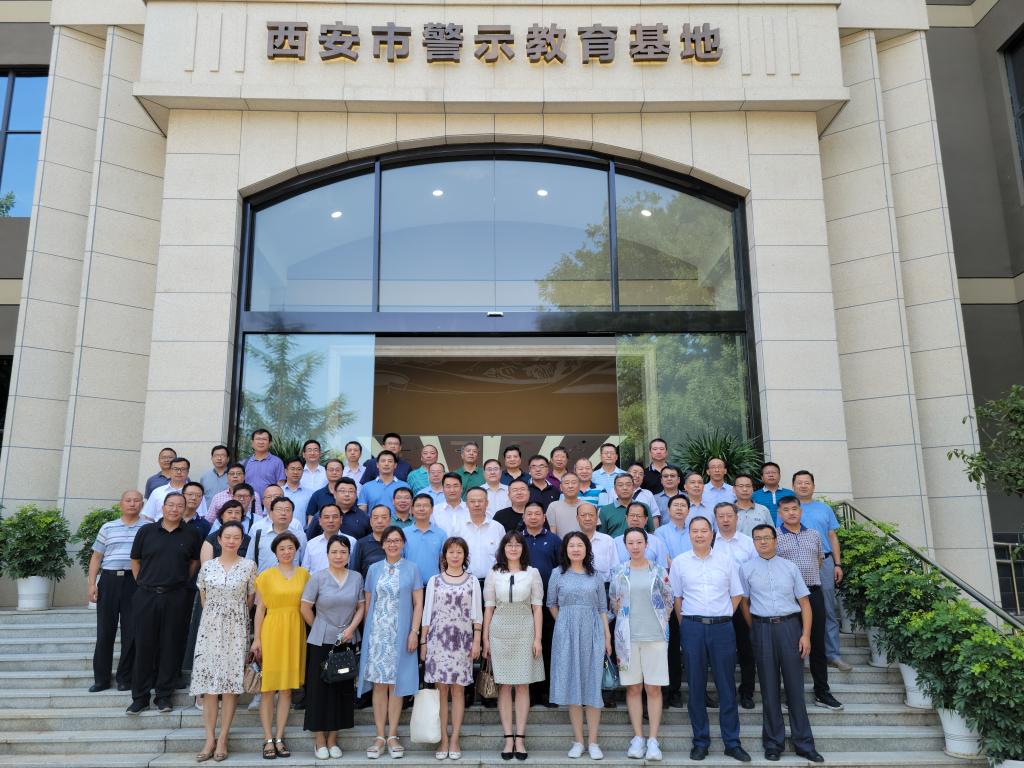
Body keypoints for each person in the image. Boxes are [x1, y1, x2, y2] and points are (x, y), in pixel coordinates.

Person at [669, 516, 750, 763]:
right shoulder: (680, 563)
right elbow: (677, 598)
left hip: (722, 628)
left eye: (704, 531)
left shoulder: (726, 560)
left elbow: (737, 594)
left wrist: (724, 614)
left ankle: (732, 743)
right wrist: (686, 625)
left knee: (726, 685)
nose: (699, 535)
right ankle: (700, 741)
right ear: (689, 535)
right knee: (695, 686)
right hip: (692, 627)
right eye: (695, 531)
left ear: (711, 534)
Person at [740, 525, 824, 763]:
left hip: (790, 628)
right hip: (762, 629)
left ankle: (804, 743)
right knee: (768, 688)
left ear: (776, 540)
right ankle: (773, 743)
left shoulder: (790, 567)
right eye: (758, 538)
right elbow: (744, 603)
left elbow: (805, 604)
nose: (763, 542)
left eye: (767, 537)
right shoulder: (746, 569)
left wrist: (805, 635)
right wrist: (755, 627)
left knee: (795, 688)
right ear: (753, 542)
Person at [127, 492, 202, 714]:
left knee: (171, 646)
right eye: (170, 505)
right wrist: (142, 583)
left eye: (179, 506)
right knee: (144, 646)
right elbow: (135, 560)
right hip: (146, 595)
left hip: (176, 596)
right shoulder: (146, 531)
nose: (174, 509)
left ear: (184, 509)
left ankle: (163, 696)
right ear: (163, 507)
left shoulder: (191, 534)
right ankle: (140, 697)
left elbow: (194, 563)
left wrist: (179, 583)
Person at [189, 521, 256, 762]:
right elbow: (203, 598)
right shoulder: (208, 567)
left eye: (236, 537)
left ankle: (223, 738)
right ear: (219, 539)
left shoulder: (249, 566)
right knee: (209, 686)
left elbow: (250, 600)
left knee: (229, 687)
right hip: (209, 630)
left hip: (236, 630)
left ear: (241, 540)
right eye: (227, 536)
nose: (231, 541)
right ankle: (209, 738)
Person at [359, 526, 424, 760]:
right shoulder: (374, 569)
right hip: (378, 634)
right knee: (379, 685)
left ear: (403, 543)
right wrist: (368, 635)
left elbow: (418, 603)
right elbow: (368, 603)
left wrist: (414, 632)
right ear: (383, 544)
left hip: (402, 633)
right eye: (389, 540)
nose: (393, 544)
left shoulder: (412, 568)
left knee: (396, 684)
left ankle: (393, 735)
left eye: (397, 540)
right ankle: (379, 736)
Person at [774, 495, 844, 711]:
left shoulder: (814, 535)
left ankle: (822, 692)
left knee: (817, 645)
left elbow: (819, 561)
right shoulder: (775, 537)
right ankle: (791, 695)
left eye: (794, 509)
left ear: (801, 511)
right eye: (786, 510)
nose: (791, 513)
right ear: (779, 514)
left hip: (813, 594)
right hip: (787, 598)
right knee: (790, 648)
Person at [547, 531, 612, 760]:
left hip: (592, 632)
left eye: (580, 545)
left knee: (592, 685)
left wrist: (607, 636)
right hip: (565, 634)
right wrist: (564, 623)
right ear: (565, 549)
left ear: (587, 549)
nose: (575, 549)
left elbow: (603, 608)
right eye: (571, 545)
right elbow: (551, 603)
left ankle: (593, 742)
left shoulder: (595, 576)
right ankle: (578, 741)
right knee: (572, 686)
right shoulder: (557, 573)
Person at [610, 527, 673, 761]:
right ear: (625, 545)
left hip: (655, 636)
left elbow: (669, 598)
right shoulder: (618, 571)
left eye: (639, 542)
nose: (635, 546)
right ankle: (638, 737)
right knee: (634, 688)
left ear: (647, 544)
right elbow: (613, 601)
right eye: (631, 542)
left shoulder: (658, 570)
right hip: (627, 638)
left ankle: (653, 739)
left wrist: (662, 622)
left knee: (653, 688)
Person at [301, 535, 365, 760]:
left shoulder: (356, 577)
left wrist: (351, 629)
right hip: (321, 641)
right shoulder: (317, 578)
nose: (339, 556)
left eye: (343, 552)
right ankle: (319, 739)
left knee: (341, 688)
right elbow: (305, 607)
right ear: (327, 554)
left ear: (349, 555)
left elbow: (361, 607)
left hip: (346, 640)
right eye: (334, 552)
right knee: (319, 690)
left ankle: (333, 739)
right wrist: (320, 627)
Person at [482, 531, 545, 761]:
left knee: (522, 685)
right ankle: (508, 737)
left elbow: (537, 607)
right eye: (509, 545)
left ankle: (520, 738)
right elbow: (489, 607)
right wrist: (485, 639)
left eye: (517, 544)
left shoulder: (532, 573)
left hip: (525, 629)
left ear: (523, 548)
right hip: (499, 629)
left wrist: (537, 638)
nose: (513, 548)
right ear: (503, 548)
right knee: (505, 685)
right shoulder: (493, 573)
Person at [421, 537, 483, 760]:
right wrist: (423, 642)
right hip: (438, 642)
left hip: (462, 642)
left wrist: (477, 641)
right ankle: (443, 740)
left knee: (458, 691)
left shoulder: (473, 581)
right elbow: (427, 614)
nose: (455, 556)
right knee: (442, 691)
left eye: (459, 552)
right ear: (444, 555)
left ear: (465, 556)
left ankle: (454, 738)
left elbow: (477, 615)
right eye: (451, 552)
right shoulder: (434, 581)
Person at [251, 531, 309, 759]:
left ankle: (279, 737)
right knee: (268, 688)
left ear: (296, 550)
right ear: (275, 552)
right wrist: (257, 638)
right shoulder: (266, 576)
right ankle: (267, 739)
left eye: (290, 548)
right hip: (272, 630)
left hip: (295, 631)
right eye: (282, 548)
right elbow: (260, 610)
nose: (286, 552)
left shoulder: (305, 574)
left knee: (286, 689)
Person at [793, 470, 851, 672]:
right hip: (796, 565)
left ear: (813, 486)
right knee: (797, 610)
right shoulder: (788, 509)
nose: (803, 486)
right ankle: (803, 655)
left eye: (807, 482)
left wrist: (837, 564)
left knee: (827, 609)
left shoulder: (824, 509)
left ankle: (832, 654)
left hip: (824, 562)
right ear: (793, 486)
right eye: (799, 482)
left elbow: (832, 536)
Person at [88, 489, 146, 693]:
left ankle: (125, 678)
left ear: (142, 504)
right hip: (109, 581)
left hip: (134, 582)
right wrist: (92, 584)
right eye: (128, 500)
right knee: (105, 631)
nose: (132, 504)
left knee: (131, 632)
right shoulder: (108, 527)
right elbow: (96, 557)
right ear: (121, 504)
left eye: (136, 500)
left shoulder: (147, 528)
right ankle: (101, 679)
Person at [713, 502, 757, 710]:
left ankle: (747, 692)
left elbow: (756, 570)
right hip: (720, 603)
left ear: (737, 518)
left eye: (729, 515)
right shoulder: (710, 542)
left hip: (745, 603)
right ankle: (725, 692)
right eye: (721, 516)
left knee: (747, 649)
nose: (725, 520)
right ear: (715, 519)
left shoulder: (748, 543)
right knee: (723, 653)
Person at [521, 502, 561, 708]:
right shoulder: (516, 540)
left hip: (547, 603)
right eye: (529, 514)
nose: (533, 517)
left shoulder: (554, 540)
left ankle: (546, 692)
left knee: (546, 646)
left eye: (538, 513)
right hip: (521, 604)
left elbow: (561, 569)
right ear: (523, 517)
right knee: (525, 647)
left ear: (544, 517)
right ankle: (527, 692)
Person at [653, 494, 690, 709]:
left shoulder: (695, 530)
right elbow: (665, 561)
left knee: (682, 645)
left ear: (688, 510)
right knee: (669, 644)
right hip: (667, 593)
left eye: (683, 505)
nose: (679, 508)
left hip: (692, 592)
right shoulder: (660, 533)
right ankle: (667, 691)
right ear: (668, 509)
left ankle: (677, 690)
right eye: (675, 505)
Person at [247, 497, 308, 572]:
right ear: (271, 513)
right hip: (263, 579)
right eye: (279, 510)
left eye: (287, 510)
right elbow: (249, 562)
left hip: (291, 579)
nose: (283, 513)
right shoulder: (258, 535)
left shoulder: (300, 536)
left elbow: (304, 564)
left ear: (292, 514)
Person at [142, 457, 203, 522]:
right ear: (170, 471)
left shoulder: (197, 493)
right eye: (175, 469)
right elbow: (148, 517)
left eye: (183, 469)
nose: (179, 472)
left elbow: (201, 515)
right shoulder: (157, 492)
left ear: (187, 472)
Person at [302, 504, 357, 574]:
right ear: (320, 521)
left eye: (335, 517)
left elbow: (354, 568)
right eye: (326, 517)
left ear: (341, 519)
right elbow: (305, 571)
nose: (331, 520)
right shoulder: (311, 544)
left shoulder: (352, 542)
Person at [405, 493, 447, 581]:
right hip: (409, 584)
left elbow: (443, 562)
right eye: (418, 506)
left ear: (432, 509)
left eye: (425, 505)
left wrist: (444, 582)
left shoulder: (441, 534)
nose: (421, 509)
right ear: (412, 509)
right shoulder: (403, 533)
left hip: (434, 584)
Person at [613, 502, 669, 567]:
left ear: (646, 519)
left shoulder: (656, 542)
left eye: (639, 516)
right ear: (626, 518)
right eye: (632, 515)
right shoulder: (616, 542)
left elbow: (663, 568)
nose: (635, 519)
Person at [359, 450, 412, 514]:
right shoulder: (367, 487)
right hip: (374, 520)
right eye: (383, 461)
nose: (386, 464)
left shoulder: (405, 486)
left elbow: (409, 510)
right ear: (377, 465)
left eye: (390, 461)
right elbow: (362, 512)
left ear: (395, 465)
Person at [200, 500, 252, 564]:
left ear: (241, 516)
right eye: (229, 512)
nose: (233, 516)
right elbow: (206, 566)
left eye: (237, 512)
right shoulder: (211, 539)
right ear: (222, 515)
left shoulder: (248, 539)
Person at [576, 502, 616, 584]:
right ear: (577, 518)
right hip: (577, 586)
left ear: (597, 518)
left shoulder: (608, 540)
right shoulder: (571, 541)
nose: (587, 518)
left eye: (591, 515)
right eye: (583, 515)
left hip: (604, 587)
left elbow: (615, 569)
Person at [352, 505, 392, 578]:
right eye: (375, 518)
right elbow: (354, 572)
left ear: (390, 521)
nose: (379, 521)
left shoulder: (396, 543)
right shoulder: (361, 544)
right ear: (370, 521)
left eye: (384, 517)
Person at [245, 429, 286, 499]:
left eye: (264, 439)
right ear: (252, 443)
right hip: (249, 503)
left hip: (270, 503)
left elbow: (281, 485)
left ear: (270, 443)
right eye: (258, 439)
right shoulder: (245, 462)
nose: (261, 442)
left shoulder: (277, 462)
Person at [305, 459, 346, 523]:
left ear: (342, 472)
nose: (334, 472)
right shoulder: (317, 495)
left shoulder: (349, 494)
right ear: (326, 472)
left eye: (337, 470)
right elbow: (311, 521)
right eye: (331, 470)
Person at [281, 457, 315, 527]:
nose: (295, 472)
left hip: (302, 532)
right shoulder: (278, 492)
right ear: (286, 471)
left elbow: (311, 517)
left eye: (299, 469)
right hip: (280, 532)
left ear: (303, 472)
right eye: (292, 469)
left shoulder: (310, 494)